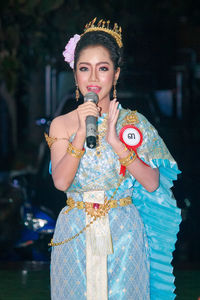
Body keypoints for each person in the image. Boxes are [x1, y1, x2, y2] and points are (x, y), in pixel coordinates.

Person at [45, 18, 181, 300]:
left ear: (116, 75)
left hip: (124, 232)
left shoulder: (134, 123)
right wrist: (82, 133)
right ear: (75, 74)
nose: (93, 78)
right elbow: (60, 181)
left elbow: (152, 182)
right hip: (74, 231)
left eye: (102, 69)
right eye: (85, 69)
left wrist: (117, 144)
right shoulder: (62, 125)